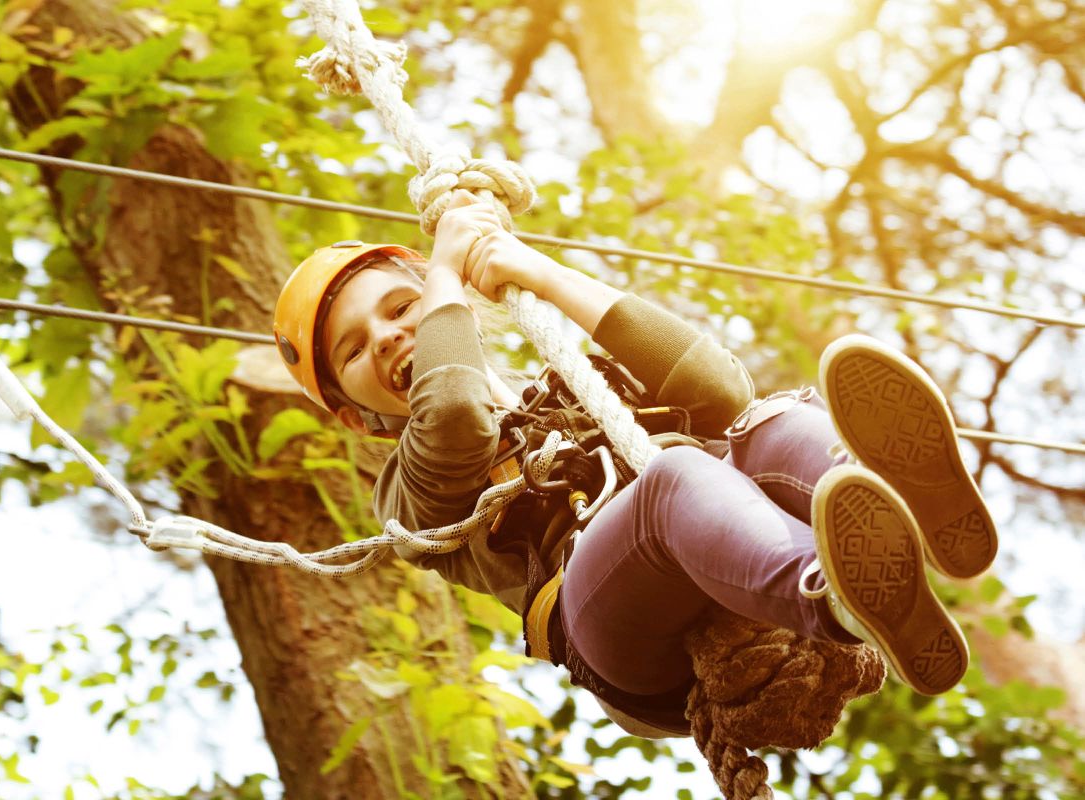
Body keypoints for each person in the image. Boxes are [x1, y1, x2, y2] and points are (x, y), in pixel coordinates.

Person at [271, 192, 999, 738]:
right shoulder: (406, 495)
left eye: (400, 310)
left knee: (769, 422)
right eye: (356, 350)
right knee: (671, 480)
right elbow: (456, 412)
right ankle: (832, 593)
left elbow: (718, 390)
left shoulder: (572, 393)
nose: (389, 339)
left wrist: (536, 272)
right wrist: (441, 275)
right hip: (623, 644)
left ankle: (910, 511)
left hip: (715, 545)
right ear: (349, 412)